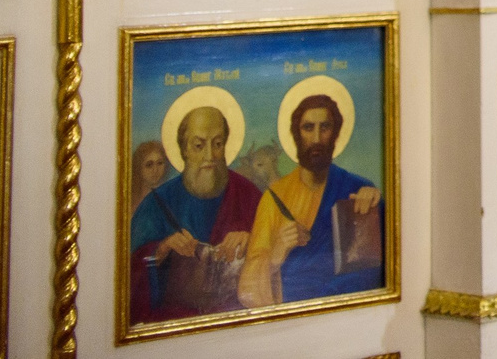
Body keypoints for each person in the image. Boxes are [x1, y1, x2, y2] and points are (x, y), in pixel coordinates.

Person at [238, 92, 381, 307]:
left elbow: (376, 271)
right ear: (296, 134)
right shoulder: (275, 197)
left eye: (325, 127)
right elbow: (247, 290)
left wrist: (374, 207)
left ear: (336, 134)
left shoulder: (356, 188)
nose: (316, 139)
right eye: (308, 128)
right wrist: (277, 252)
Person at [126, 105, 260, 326]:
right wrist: (163, 248)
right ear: (184, 149)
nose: (210, 155)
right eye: (199, 145)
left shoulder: (248, 195)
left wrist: (253, 240)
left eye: (217, 144)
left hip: (237, 321)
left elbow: (281, 261)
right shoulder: (156, 204)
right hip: (174, 324)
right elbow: (128, 272)